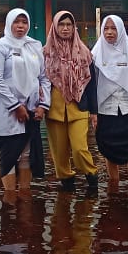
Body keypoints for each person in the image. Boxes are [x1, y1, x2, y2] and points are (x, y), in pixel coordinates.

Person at [0, 8, 50, 197]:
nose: (20, 26)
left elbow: (44, 78)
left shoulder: (34, 46)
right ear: (9, 23)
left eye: (24, 22)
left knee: (26, 154)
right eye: (17, 22)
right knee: (8, 154)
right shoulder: (0, 46)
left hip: (31, 110)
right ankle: (10, 200)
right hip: (6, 111)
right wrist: (15, 106)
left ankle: (24, 197)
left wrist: (43, 105)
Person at [42, 10, 98, 194]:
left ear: (74, 28)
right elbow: (40, 82)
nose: (65, 28)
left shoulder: (84, 53)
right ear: (55, 27)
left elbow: (91, 85)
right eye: (61, 24)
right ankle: (66, 184)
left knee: (79, 148)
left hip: (78, 107)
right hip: (54, 109)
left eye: (69, 25)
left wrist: (94, 112)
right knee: (59, 152)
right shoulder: (46, 54)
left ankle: (92, 177)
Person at [91, 15, 128, 191]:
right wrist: (94, 113)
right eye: (106, 28)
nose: (109, 32)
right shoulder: (95, 55)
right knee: (109, 149)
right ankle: (113, 187)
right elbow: (94, 85)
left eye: (113, 28)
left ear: (121, 30)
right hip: (105, 110)